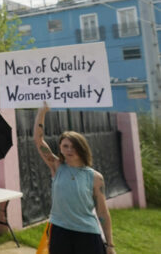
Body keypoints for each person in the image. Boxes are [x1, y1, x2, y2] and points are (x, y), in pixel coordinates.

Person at [34, 103, 115, 254]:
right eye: (65, 146)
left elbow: (103, 213)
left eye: (73, 146)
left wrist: (110, 245)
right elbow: (39, 140)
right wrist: (42, 112)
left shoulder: (95, 177)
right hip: (60, 231)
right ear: (60, 148)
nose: (69, 150)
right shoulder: (57, 167)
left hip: (87, 234)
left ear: (82, 148)